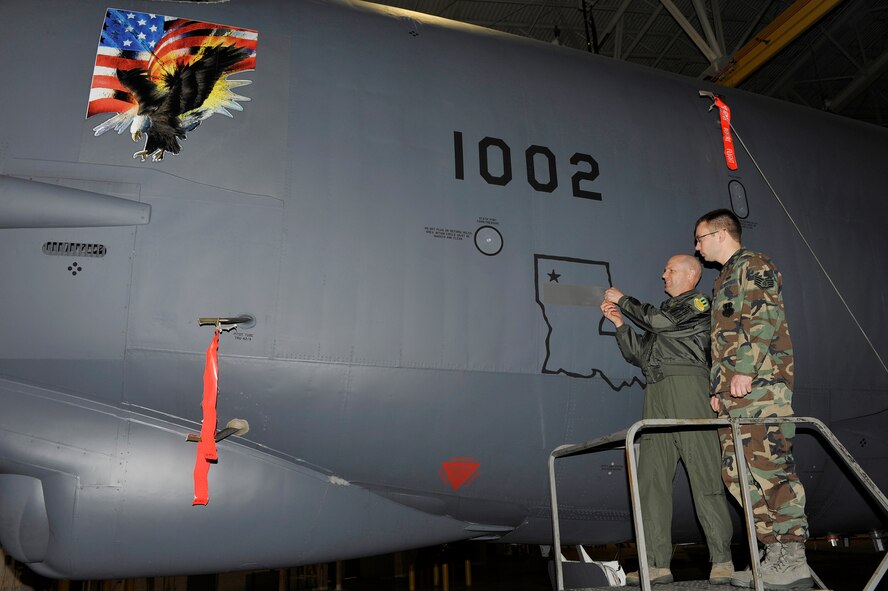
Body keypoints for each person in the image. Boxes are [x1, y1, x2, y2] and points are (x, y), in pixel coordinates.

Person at [694, 209, 811, 590]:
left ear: (720, 234)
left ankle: (793, 558)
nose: (697, 247)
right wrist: (718, 389)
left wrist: (745, 370)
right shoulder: (724, 277)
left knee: (771, 469)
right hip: (734, 395)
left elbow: (764, 319)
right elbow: (722, 341)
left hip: (762, 388)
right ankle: (773, 553)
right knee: (737, 475)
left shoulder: (754, 265)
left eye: (700, 238)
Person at [600, 254, 734, 586]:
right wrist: (619, 323)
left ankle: (722, 559)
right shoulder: (665, 314)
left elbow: (660, 322)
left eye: (670, 270)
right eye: (664, 270)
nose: (664, 275)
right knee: (652, 481)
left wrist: (623, 300)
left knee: (705, 477)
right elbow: (639, 355)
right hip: (656, 393)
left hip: (689, 392)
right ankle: (656, 564)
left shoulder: (698, 304)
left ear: (691, 275)